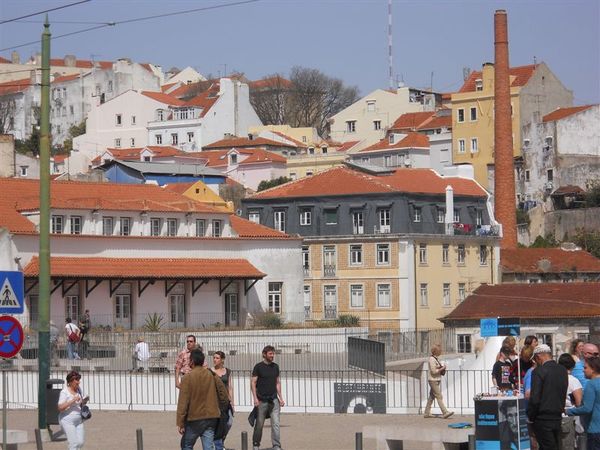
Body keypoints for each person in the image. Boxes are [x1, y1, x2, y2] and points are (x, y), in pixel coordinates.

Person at [176, 349, 229, 450]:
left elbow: (183, 402)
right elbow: (224, 396)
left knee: (186, 445)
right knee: (208, 447)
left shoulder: (187, 378)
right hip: (211, 417)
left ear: (191, 361)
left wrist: (180, 422)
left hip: (194, 418)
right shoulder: (212, 375)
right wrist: (219, 409)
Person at [527, 344, 568, 450]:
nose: (536, 362)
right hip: (557, 415)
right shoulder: (562, 370)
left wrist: (530, 416)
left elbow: (535, 398)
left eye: (535, 359)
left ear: (539, 356)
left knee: (547, 446)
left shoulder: (538, 371)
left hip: (542, 417)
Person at [251, 345, 285, 450]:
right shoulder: (258, 367)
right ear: (264, 354)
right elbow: (253, 382)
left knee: (276, 424)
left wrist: (281, 398)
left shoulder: (276, 367)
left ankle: (276, 445)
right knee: (259, 424)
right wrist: (255, 398)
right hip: (261, 400)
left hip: (274, 400)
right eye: (270, 353)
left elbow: (277, 383)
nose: (272, 355)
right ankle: (256, 444)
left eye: (273, 353)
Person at [567, 356, 600, 450]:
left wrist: (568, 411)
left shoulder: (591, 384)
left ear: (593, 369)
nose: (583, 370)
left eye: (585, 368)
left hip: (594, 429)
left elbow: (587, 408)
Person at [558, 353, 584, 449]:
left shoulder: (553, 379)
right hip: (568, 417)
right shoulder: (573, 381)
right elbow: (579, 403)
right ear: (573, 366)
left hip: (555, 416)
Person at [57, 370, 88, 450]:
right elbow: (60, 407)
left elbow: (80, 404)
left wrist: (84, 401)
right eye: (76, 380)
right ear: (70, 382)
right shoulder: (64, 392)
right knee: (73, 444)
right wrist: (73, 400)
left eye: (79, 380)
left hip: (79, 420)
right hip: (67, 421)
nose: (78, 382)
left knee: (80, 442)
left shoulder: (79, 390)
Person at [210, 351, 234, 450]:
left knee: (229, 422)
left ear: (222, 360)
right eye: (214, 358)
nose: (215, 360)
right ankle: (216, 443)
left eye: (217, 358)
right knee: (216, 424)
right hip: (214, 402)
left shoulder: (227, 371)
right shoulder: (209, 371)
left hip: (225, 402)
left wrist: (232, 402)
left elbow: (230, 387)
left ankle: (221, 440)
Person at [424, 344, 454, 419]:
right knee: (439, 396)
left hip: (436, 379)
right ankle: (445, 412)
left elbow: (435, 368)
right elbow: (433, 371)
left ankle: (426, 413)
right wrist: (442, 368)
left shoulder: (435, 358)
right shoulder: (432, 359)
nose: (440, 352)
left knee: (431, 397)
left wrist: (440, 367)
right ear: (436, 351)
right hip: (433, 380)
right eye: (439, 351)